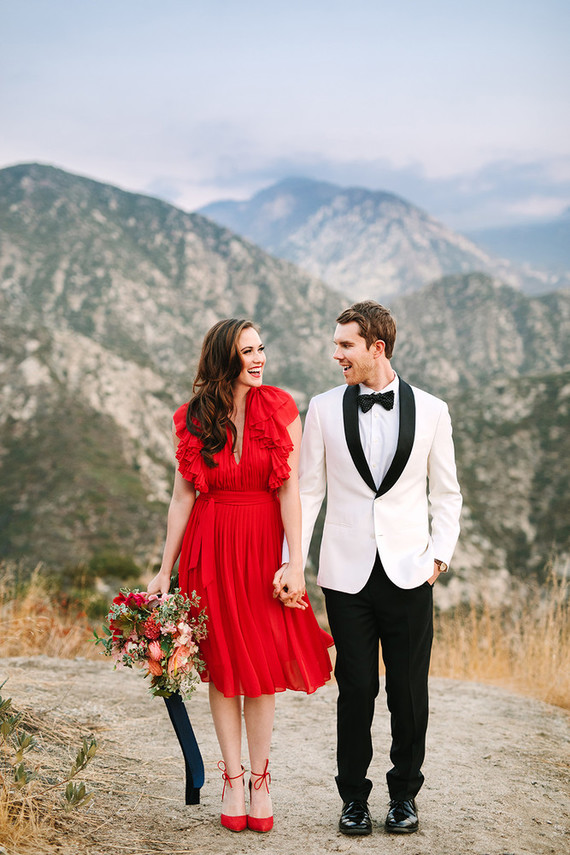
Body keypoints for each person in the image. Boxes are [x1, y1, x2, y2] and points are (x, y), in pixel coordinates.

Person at [275, 300, 461, 836]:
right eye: (336, 344)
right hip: (346, 575)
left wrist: (439, 557)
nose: (336, 354)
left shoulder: (433, 410)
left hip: (411, 573)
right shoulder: (322, 408)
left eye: (345, 345)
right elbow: (308, 493)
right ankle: (353, 798)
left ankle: (404, 796)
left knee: (408, 692)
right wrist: (292, 561)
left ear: (376, 348)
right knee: (356, 689)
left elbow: (447, 494)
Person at [147, 318, 333, 834]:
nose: (259, 358)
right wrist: (164, 570)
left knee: (261, 664)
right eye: (247, 351)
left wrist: (295, 562)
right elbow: (182, 497)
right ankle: (231, 778)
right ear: (224, 359)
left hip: (262, 549)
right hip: (209, 550)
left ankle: (261, 779)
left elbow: (290, 490)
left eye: (260, 348)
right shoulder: (191, 418)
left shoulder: (281, 407)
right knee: (226, 665)